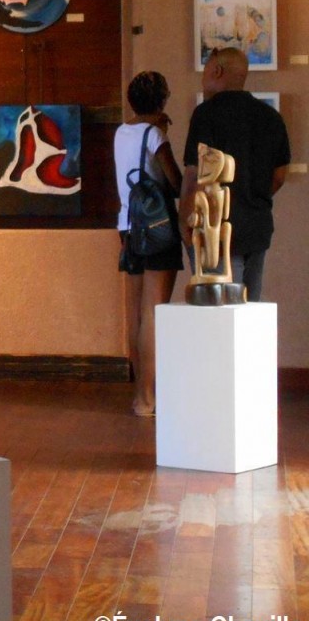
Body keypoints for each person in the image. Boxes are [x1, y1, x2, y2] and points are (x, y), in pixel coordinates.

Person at [179, 47, 290, 301]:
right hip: (258, 227)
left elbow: (194, 175)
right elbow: (279, 175)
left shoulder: (206, 114)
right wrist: (252, 195)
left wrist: (184, 220)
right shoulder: (271, 117)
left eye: (206, 70)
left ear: (217, 71)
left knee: (220, 312)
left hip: (216, 231)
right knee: (249, 310)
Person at [114, 72, 183, 417]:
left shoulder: (120, 132)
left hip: (128, 227)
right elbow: (176, 183)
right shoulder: (155, 135)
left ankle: (139, 394)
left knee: (136, 314)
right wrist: (162, 131)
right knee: (153, 313)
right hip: (156, 229)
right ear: (163, 100)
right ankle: (147, 398)